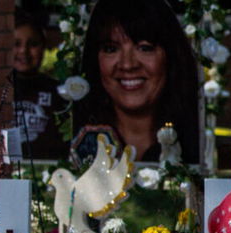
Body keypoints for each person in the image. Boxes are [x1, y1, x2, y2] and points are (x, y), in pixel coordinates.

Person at [74, 0, 199, 163]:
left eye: (144, 48)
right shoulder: (76, 143)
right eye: (111, 49)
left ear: (171, 57)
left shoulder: (201, 147)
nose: (128, 64)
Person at [11, 9, 63, 159]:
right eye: (16, 44)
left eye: (33, 44)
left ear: (44, 47)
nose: (24, 51)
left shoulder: (58, 93)